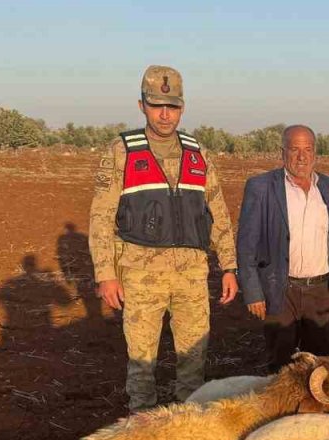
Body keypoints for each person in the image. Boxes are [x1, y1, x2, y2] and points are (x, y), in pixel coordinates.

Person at [87, 65, 239, 411]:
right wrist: (105, 274)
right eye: (157, 105)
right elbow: (101, 217)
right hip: (141, 275)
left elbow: (218, 212)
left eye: (172, 106)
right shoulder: (122, 151)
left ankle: (184, 428)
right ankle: (141, 427)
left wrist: (229, 267)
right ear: (142, 105)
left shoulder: (198, 153)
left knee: (194, 363)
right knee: (142, 365)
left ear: (182, 108)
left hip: (192, 275)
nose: (165, 114)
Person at [237, 125, 329, 370]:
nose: (301, 157)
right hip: (280, 289)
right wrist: (253, 292)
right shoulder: (261, 187)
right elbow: (246, 244)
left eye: (307, 149)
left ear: (315, 153)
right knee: (280, 363)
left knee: (320, 363)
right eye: (294, 149)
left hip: (321, 292)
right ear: (283, 152)